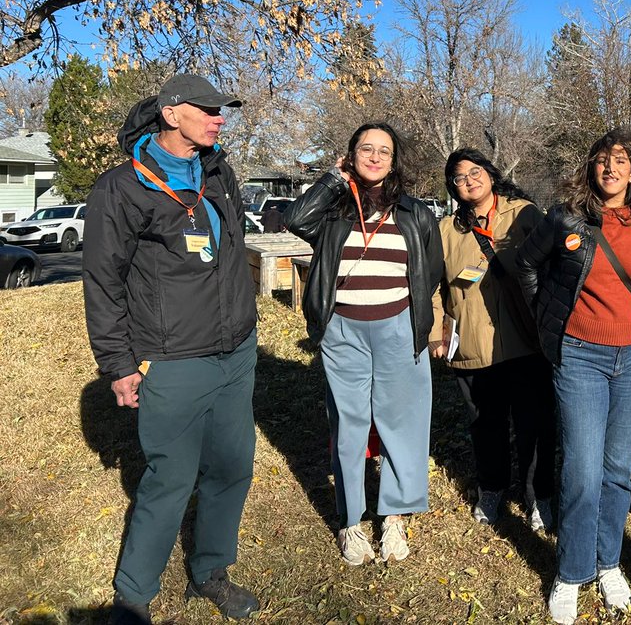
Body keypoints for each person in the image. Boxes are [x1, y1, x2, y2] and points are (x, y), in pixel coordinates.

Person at [83, 74, 260, 625]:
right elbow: (103, 283)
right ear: (170, 112)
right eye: (207, 109)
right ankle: (133, 597)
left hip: (236, 352)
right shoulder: (121, 187)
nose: (218, 117)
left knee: (233, 469)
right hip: (173, 359)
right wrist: (117, 364)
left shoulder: (218, 170)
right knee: (170, 479)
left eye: (221, 109)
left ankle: (210, 572)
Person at [285, 123, 444, 566]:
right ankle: (351, 522)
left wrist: (406, 315)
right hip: (343, 331)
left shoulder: (414, 212)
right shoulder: (334, 211)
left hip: (397, 327)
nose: (374, 157)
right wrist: (334, 178)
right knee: (350, 425)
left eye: (384, 151)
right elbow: (296, 219)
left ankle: (393, 515)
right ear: (350, 155)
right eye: (365, 149)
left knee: (403, 424)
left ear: (394, 161)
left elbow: (428, 271)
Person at [514, 128, 631, 624]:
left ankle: (608, 561)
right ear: (590, 168)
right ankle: (572, 571)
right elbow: (524, 265)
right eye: (602, 160)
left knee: (618, 469)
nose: (611, 168)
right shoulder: (565, 219)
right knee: (581, 468)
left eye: (622, 160)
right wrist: (549, 320)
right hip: (581, 358)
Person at [428, 149, 555, 531]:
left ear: (490, 173)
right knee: (486, 423)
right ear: (452, 188)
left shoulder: (524, 214)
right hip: (472, 343)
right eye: (459, 178)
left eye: (475, 172)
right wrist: (437, 332)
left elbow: (552, 271)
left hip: (525, 340)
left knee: (535, 423)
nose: (469, 180)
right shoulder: (447, 231)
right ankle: (492, 488)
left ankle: (540, 494)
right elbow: (433, 286)